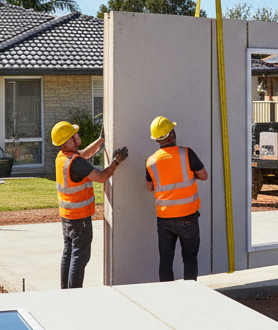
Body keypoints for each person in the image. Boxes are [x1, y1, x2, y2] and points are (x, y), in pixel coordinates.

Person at [51, 120, 128, 289]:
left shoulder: (63, 157)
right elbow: (101, 177)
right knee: (80, 256)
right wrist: (116, 162)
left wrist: (101, 140)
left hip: (67, 216)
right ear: (66, 142)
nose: (77, 136)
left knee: (69, 252)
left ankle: (65, 290)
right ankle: (75, 293)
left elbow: (84, 154)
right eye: (74, 135)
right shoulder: (75, 162)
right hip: (80, 218)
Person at [145, 116, 208, 281]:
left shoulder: (151, 161)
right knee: (189, 259)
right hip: (188, 216)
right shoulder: (186, 153)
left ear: (157, 140)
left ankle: (167, 297)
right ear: (171, 135)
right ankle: (190, 294)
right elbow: (204, 176)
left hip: (164, 218)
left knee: (165, 260)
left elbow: (150, 187)